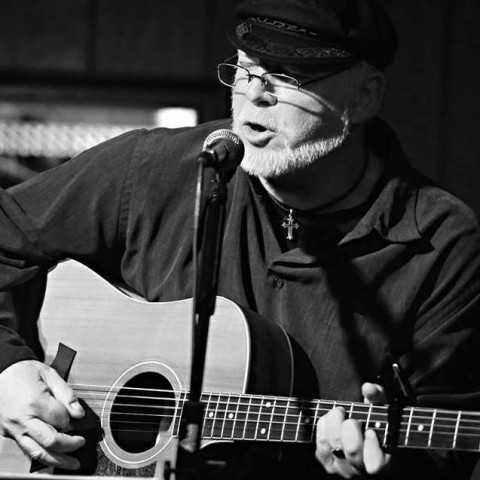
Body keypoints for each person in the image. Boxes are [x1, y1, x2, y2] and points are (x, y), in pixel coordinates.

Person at [0, 0, 480, 478]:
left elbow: (447, 452)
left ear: (366, 95)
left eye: (288, 77)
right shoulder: (155, 171)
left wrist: (384, 471)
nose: (254, 95)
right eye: (245, 69)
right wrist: (8, 369)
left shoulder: (441, 243)